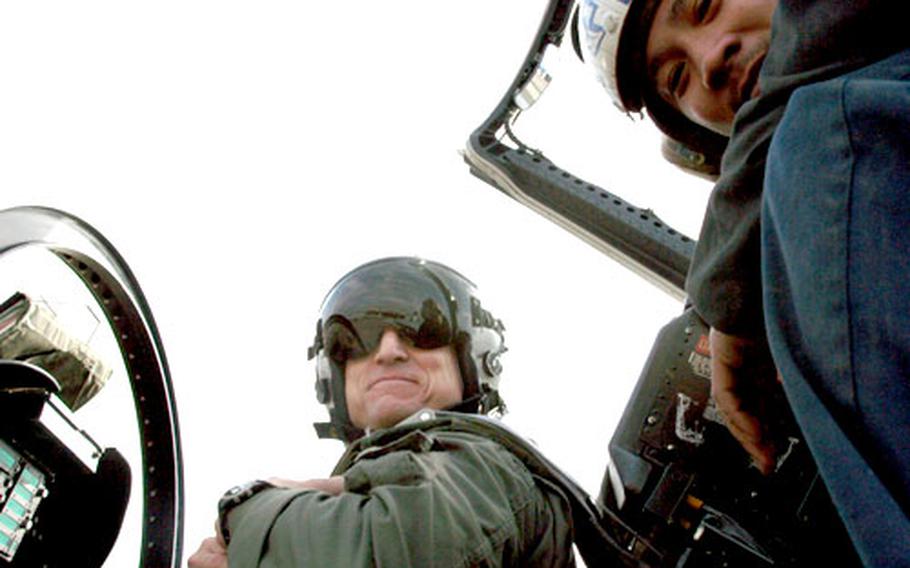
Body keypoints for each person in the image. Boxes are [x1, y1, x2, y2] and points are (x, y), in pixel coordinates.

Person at [576, 0, 910, 563]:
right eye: (677, 79)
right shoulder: (778, 253)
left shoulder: (827, 149)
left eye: (704, 6)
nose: (710, 60)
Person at [188, 256, 638, 568]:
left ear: (473, 358)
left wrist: (247, 508)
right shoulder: (386, 484)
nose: (388, 351)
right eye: (357, 337)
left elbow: (389, 553)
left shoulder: (488, 469)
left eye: (422, 327)